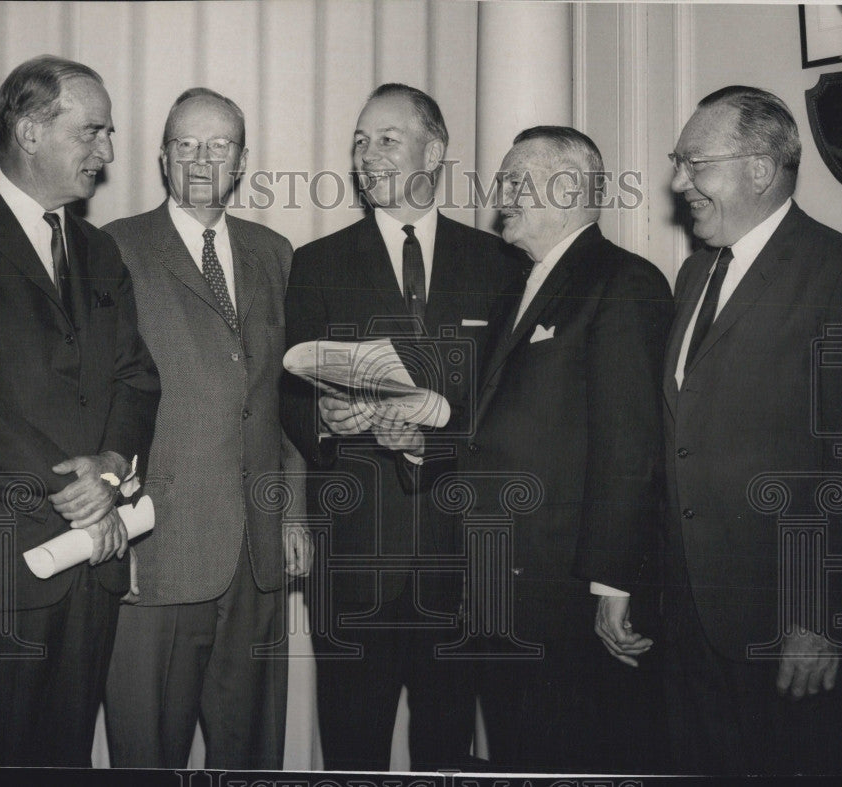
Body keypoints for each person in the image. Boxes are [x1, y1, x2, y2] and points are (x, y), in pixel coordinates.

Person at [0, 55, 160, 766]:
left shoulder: (100, 250)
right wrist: (74, 491)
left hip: (91, 567)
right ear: (30, 131)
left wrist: (110, 469)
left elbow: (137, 380)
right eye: (92, 132)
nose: (107, 153)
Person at [281, 83, 520, 771]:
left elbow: (506, 406)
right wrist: (323, 420)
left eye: (385, 138)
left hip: (462, 566)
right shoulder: (317, 262)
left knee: (447, 754)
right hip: (354, 568)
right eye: (359, 142)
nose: (366, 155)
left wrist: (432, 441)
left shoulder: (500, 264)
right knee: (351, 755)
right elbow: (285, 392)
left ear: (435, 149)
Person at [663, 85, 842, 774]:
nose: (678, 182)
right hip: (692, 618)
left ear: (759, 168)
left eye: (694, 163)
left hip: (786, 626)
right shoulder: (693, 273)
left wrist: (823, 616)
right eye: (679, 163)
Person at [102, 88, 310, 769]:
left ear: (242, 161)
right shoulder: (114, 250)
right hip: (158, 552)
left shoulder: (275, 253)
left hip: (257, 552)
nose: (201, 157)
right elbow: (98, 402)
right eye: (185, 143)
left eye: (219, 145)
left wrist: (293, 513)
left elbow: (281, 401)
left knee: (251, 757)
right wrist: (115, 529)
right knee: (147, 753)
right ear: (163, 159)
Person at [456, 126, 672, 772]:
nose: (501, 195)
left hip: (570, 594)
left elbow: (631, 445)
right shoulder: (517, 287)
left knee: (570, 753)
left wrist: (613, 582)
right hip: (502, 587)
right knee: (520, 751)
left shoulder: (623, 283)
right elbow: (497, 426)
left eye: (517, 179)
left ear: (572, 188)